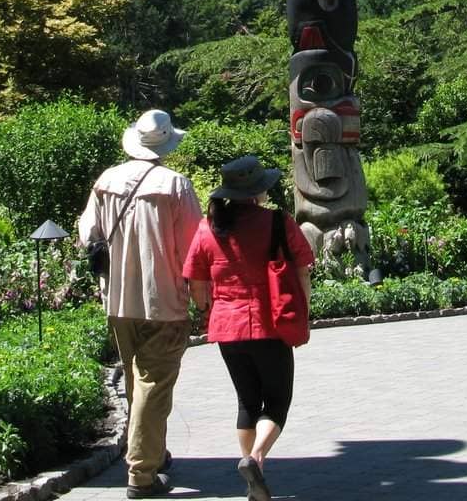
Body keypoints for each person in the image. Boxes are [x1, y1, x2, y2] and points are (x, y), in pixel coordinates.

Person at [77, 109, 202, 499]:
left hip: (117, 299)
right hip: (163, 300)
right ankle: (142, 475)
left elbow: (87, 234)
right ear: (165, 144)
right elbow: (194, 249)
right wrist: (202, 298)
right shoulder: (176, 186)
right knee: (153, 385)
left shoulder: (107, 180)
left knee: (136, 380)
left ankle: (154, 452)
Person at [183, 155, 314, 501]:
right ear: (260, 190)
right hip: (271, 323)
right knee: (277, 402)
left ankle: (251, 479)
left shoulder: (208, 226)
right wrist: (304, 306)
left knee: (246, 401)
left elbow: (196, 280)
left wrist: (204, 307)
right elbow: (303, 267)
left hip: (226, 327)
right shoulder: (277, 221)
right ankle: (255, 458)